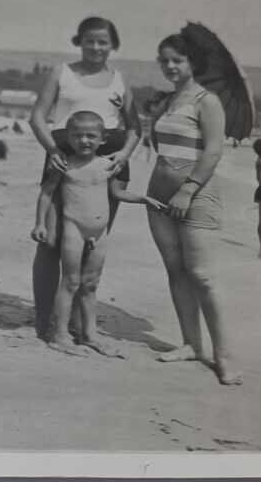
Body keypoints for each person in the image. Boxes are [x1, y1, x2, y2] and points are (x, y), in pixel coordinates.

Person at [29, 17, 139, 340]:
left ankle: (77, 322)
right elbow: (37, 117)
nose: (96, 47)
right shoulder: (61, 73)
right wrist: (52, 151)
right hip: (64, 157)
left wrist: (124, 155)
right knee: (50, 242)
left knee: (91, 244)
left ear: (112, 45)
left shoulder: (120, 80)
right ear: (79, 41)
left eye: (103, 42)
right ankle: (43, 318)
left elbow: (135, 127)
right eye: (89, 40)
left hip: (109, 164)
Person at [145, 33, 240, 385]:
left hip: (195, 195)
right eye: (164, 60)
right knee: (176, 272)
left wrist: (187, 191)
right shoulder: (168, 100)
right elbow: (160, 145)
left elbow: (213, 152)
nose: (170, 66)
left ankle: (224, 356)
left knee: (202, 276)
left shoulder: (207, 100)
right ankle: (190, 344)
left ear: (192, 63)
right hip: (157, 194)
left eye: (177, 60)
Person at [31, 111, 164, 357]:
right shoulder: (64, 164)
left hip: (100, 232)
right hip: (74, 229)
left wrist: (142, 198)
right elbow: (47, 193)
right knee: (70, 281)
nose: (84, 141)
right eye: (77, 136)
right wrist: (40, 224)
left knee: (90, 284)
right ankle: (59, 334)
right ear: (68, 138)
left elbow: (117, 194)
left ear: (102, 139)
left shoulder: (108, 165)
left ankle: (89, 334)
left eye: (91, 136)